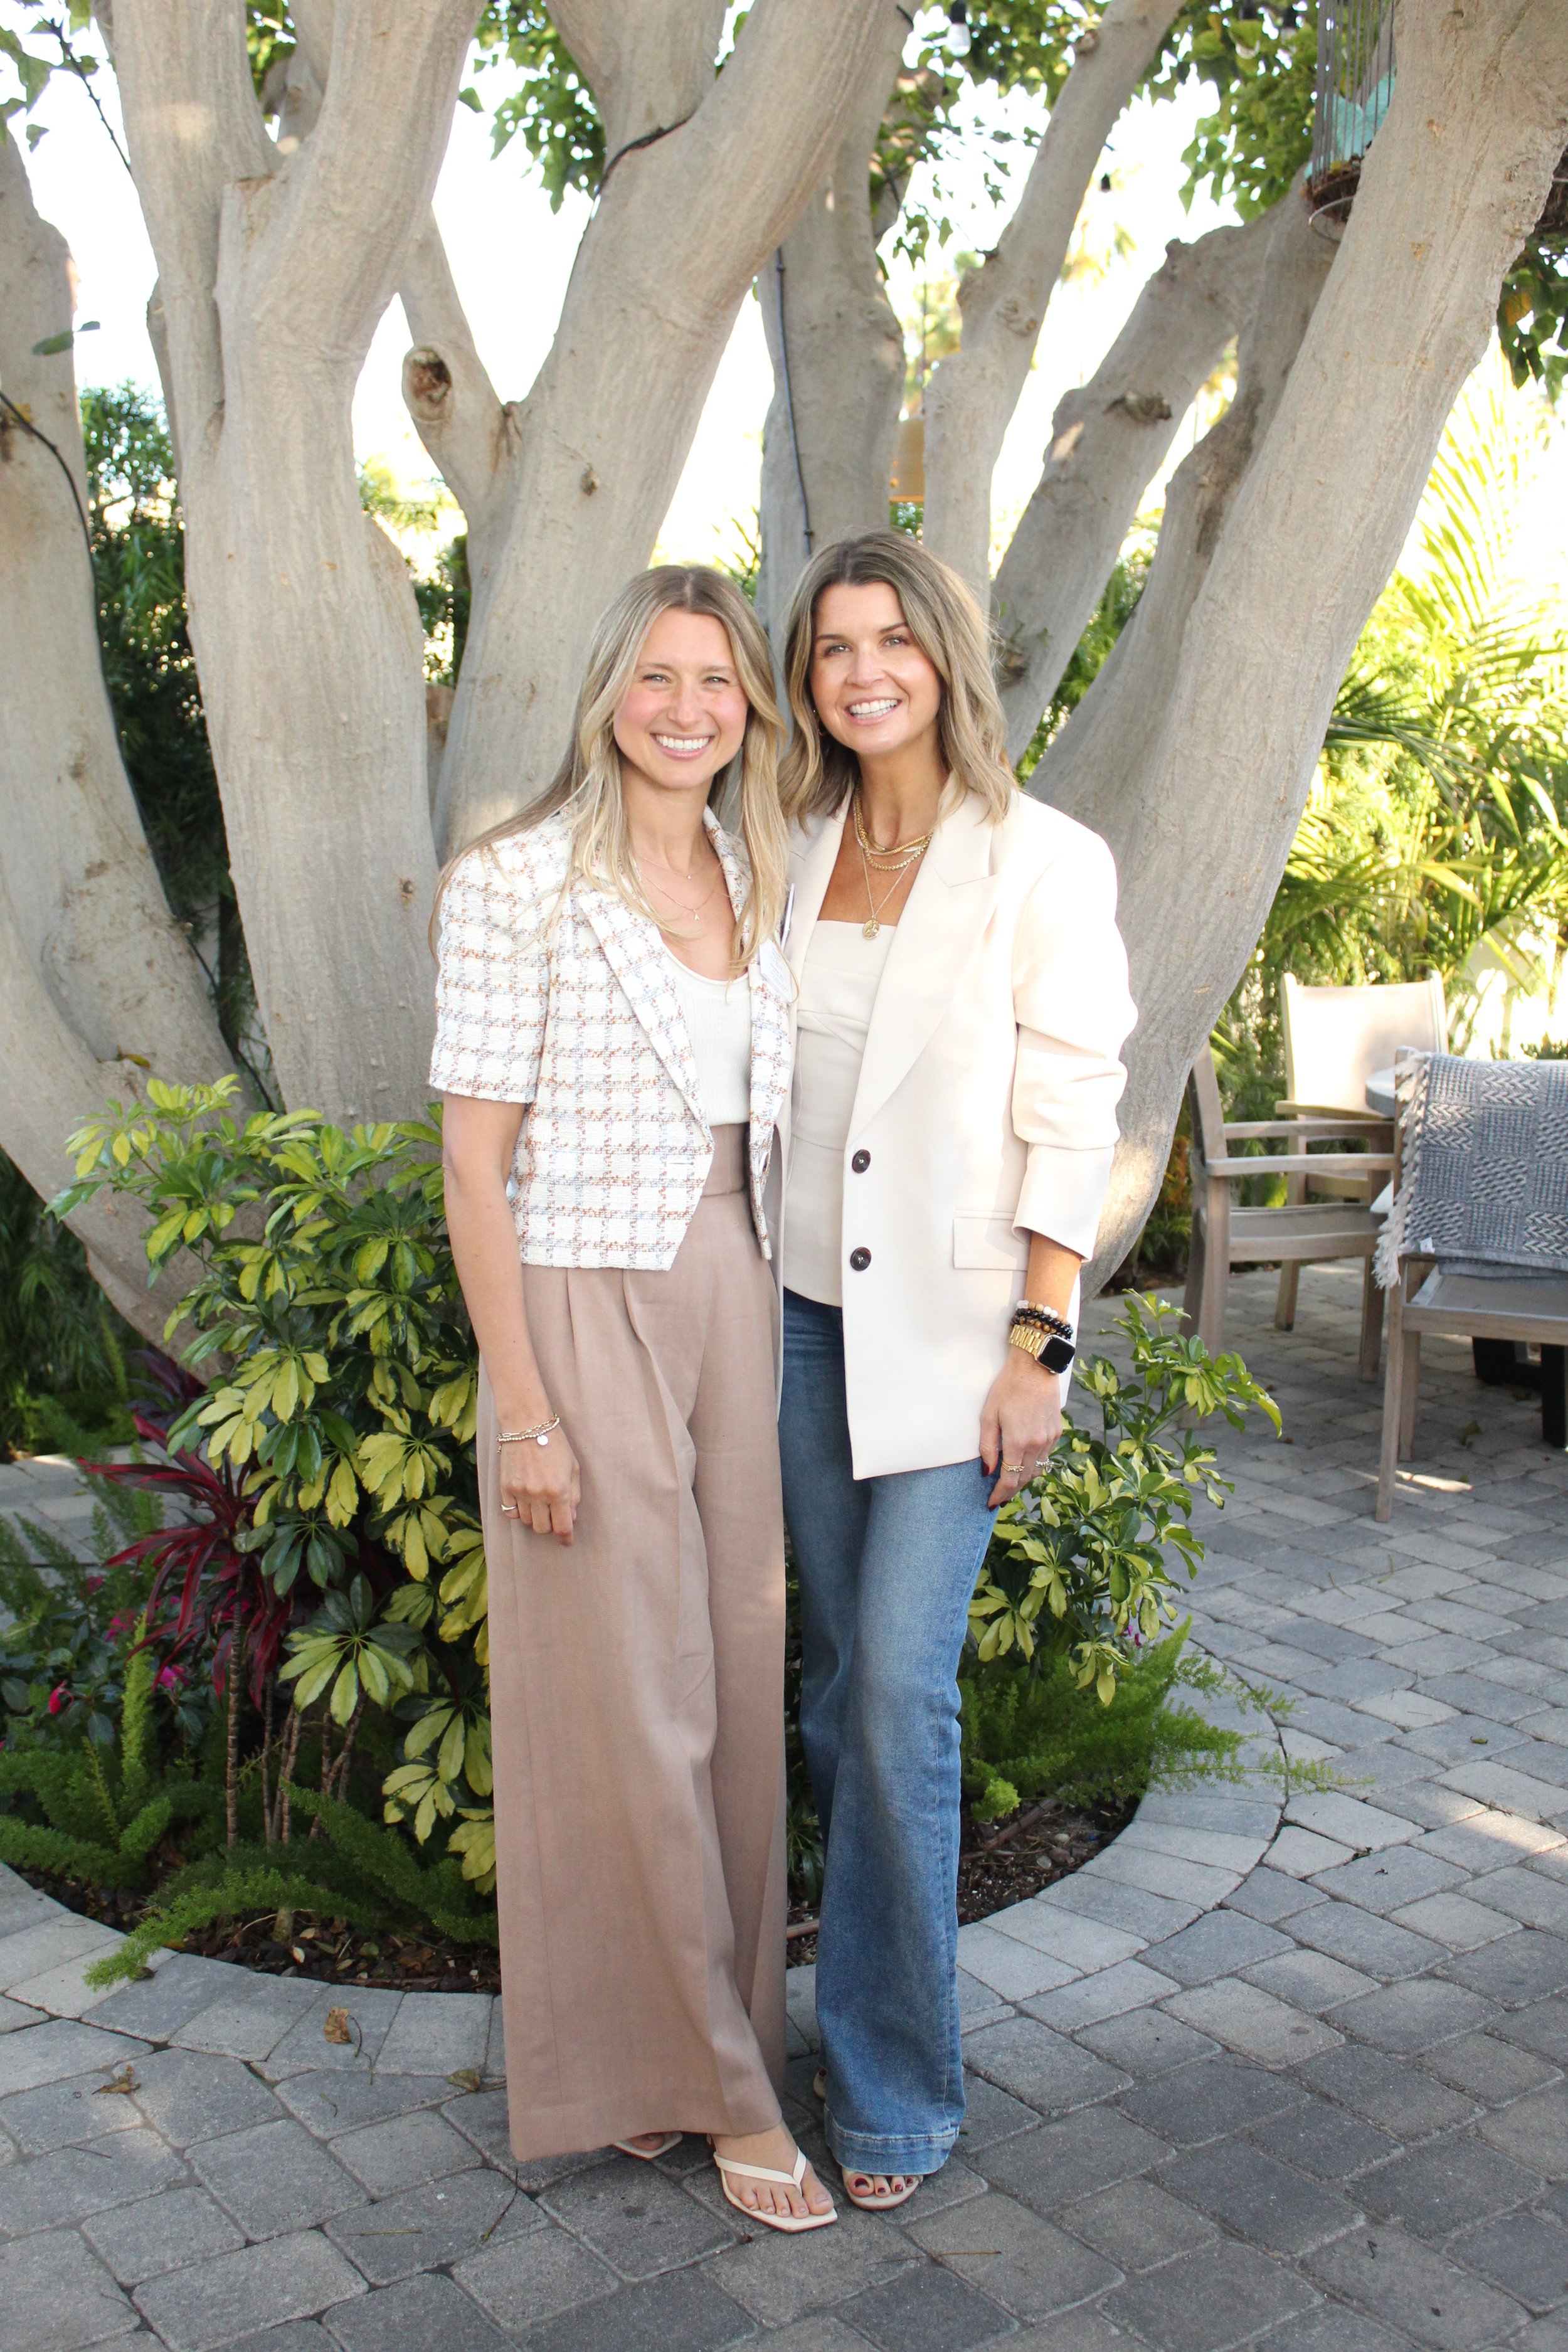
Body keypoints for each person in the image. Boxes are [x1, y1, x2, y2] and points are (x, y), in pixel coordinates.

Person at [431, 566, 834, 2233]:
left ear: (751, 706)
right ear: (611, 692)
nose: (687, 709)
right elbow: (472, 1166)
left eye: (718, 681)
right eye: (658, 677)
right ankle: (724, 2093)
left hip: (740, 1280)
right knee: (621, 1698)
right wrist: (523, 1408)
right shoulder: (514, 880)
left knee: (732, 1683)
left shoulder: (761, 865)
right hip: (580, 1299)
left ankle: (686, 2050)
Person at [775, 531, 1136, 2208]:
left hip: (956, 1338)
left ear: (945, 657)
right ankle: (839, 2008)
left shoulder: (1041, 860)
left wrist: (1038, 1345)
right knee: (836, 1689)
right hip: (791, 1318)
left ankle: (896, 2093)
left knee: (899, 1695)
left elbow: (1073, 1111)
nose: (865, 673)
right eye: (835, 647)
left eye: (893, 641)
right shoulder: (786, 840)